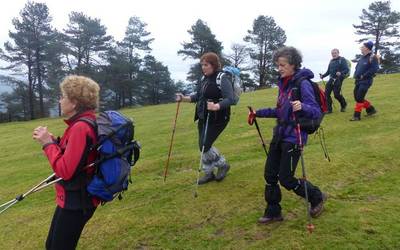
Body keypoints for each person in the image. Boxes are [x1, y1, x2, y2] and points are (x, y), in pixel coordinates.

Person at [248, 46, 327, 224]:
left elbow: (316, 111)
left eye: (282, 65)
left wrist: (303, 106)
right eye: (278, 65)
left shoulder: (303, 84)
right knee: (270, 175)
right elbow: (280, 111)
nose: (279, 68)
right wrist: (257, 113)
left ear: (293, 65)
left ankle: (316, 197)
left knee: (286, 178)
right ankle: (273, 211)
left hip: (295, 137)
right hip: (280, 135)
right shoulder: (283, 85)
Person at [32, 75, 100, 250]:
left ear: (75, 102)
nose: (60, 100)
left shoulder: (80, 127)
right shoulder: (84, 122)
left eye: (62, 96)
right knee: (52, 245)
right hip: (73, 198)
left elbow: (65, 170)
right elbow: (76, 157)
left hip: (77, 202)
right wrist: (55, 143)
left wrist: (47, 144)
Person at [176, 52, 235, 184]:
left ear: (213, 65)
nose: (203, 67)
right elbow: (198, 96)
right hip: (203, 116)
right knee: (202, 146)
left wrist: (216, 106)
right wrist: (184, 98)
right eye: (202, 65)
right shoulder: (203, 79)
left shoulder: (222, 77)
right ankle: (209, 173)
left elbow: (230, 99)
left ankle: (222, 165)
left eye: (206, 65)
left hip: (218, 118)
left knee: (205, 144)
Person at [350, 41, 379, 121]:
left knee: (359, 97)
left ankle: (356, 116)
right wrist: (356, 75)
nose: (361, 48)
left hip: (366, 81)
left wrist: (364, 75)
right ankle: (371, 109)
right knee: (357, 97)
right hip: (358, 81)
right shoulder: (362, 58)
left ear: (367, 48)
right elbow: (357, 68)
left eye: (362, 47)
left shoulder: (373, 57)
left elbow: (374, 69)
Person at [319, 48, 349, 113]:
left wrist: (341, 73)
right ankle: (329, 109)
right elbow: (328, 71)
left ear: (338, 53)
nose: (333, 54)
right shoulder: (331, 61)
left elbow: (346, 69)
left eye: (335, 53)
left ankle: (343, 105)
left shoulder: (342, 60)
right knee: (326, 94)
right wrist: (323, 76)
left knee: (336, 95)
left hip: (338, 79)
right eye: (332, 53)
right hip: (331, 79)